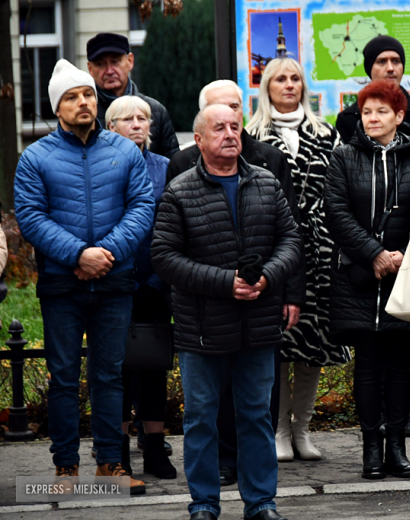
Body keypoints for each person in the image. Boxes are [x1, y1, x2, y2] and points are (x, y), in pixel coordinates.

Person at [152, 104, 299, 520]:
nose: (230, 134)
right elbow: (164, 257)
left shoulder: (267, 183)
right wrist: (224, 282)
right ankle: (203, 503)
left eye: (235, 127)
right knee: (201, 419)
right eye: (219, 128)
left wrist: (267, 278)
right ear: (198, 140)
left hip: (258, 324)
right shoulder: (179, 191)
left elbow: (291, 240)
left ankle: (262, 503)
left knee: (256, 416)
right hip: (201, 329)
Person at [14, 59, 153, 494]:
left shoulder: (125, 152)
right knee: (63, 376)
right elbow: (31, 218)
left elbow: (142, 208)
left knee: (110, 374)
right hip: (61, 285)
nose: (83, 102)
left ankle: (110, 465)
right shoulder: (35, 157)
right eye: (73, 97)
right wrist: (78, 254)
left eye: (88, 94)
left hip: (113, 282)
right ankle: (65, 468)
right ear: (58, 108)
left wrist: (105, 254)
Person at [324, 79, 410, 480]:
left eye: (381, 111)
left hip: (407, 274)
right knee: (368, 365)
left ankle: (397, 449)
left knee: (402, 366)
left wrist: (405, 254)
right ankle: (371, 450)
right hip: (358, 277)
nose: (372, 117)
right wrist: (373, 254)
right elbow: (335, 213)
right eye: (367, 111)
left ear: (399, 116)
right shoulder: (344, 157)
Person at [246, 58, 350, 462]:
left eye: (295, 79)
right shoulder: (252, 134)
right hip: (276, 250)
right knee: (280, 346)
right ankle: (279, 431)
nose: (289, 85)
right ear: (266, 87)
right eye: (280, 79)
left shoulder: (326, 133)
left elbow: (339, 192)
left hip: (322, 253)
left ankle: (302, 431)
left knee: (313, 347)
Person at [104, 95, 176, 479]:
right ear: (110, 126)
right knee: (116, 369)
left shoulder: (165, 168)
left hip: (155, 282)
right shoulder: (99, 167)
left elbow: (173, 229)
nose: (136, 124)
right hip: (113, 283)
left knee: (153, 366)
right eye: (127, 118)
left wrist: (155, 280)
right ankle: (117, 451)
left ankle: (154, 446)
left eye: (143, 118)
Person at [336, 35, 410, 166]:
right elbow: (343, 172)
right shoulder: (349, 119)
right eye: (381, 61)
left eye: (396, 61)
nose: (390, 68)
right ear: (370, 68)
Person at [87, 32, 179, 158]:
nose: (109, 71)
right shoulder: (86, 114)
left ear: (130, 61)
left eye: (115, 62)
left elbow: (173, 166)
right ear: (90, 69)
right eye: (100, 64)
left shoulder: (156, 111)